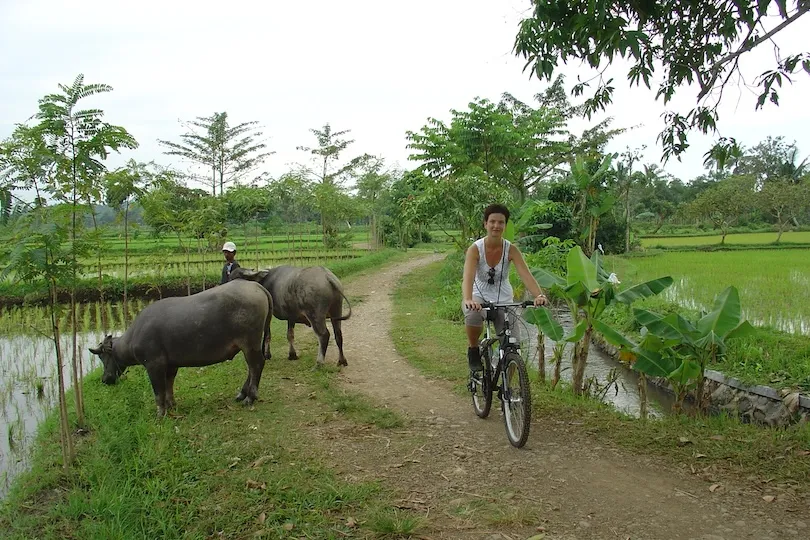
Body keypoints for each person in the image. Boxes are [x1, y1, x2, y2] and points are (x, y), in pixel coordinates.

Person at [462, 203, 549, 371]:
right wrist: (468, 299)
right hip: (478, 295)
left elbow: (526, 275)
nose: (496, 226)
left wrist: (539, 295)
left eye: (501, 222)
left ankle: (507, 392)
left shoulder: (511, 249)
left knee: (513, 346)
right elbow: (468, 277)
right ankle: (473, 349)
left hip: (504, 299)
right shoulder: (475, 249)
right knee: (472, 315)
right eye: (492, 221)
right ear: (485, 224)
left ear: (505, 225)